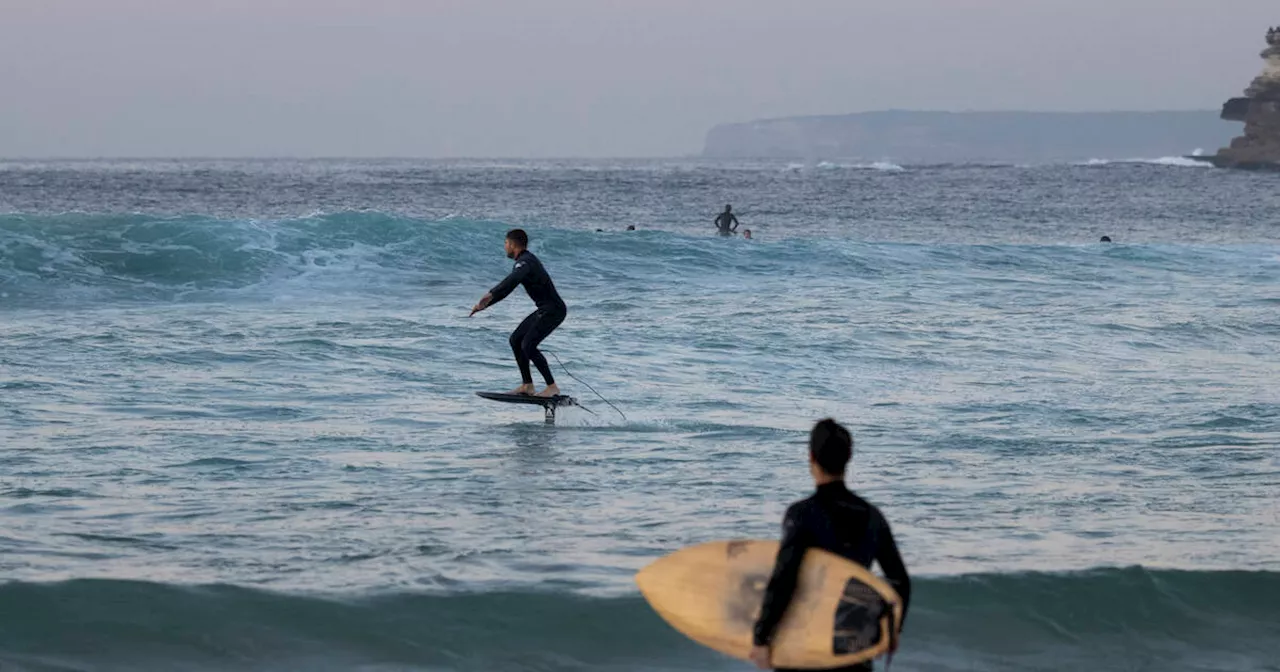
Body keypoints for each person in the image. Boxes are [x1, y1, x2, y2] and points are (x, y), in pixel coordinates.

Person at [750, 418, 912, 672]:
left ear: (811, 458)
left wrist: (762, 636)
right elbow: (900, 580)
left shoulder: (802, 514)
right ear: (849, 458)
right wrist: (891, 631)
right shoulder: (872, 516)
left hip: (807, 643)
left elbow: (785, 578)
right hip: (852, 643)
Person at [469, 229, 567, 398]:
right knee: (516, 340)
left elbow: (513, 279)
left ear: (513, 245)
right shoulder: (525, 261)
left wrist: (490, 293)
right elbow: (508, 289)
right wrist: (485, 305)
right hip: (546, 309)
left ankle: (552, 387)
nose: (505, 247)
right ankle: (527, 385)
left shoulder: (525, 262)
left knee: (528, 345)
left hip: (553, 310)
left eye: (506, 243)